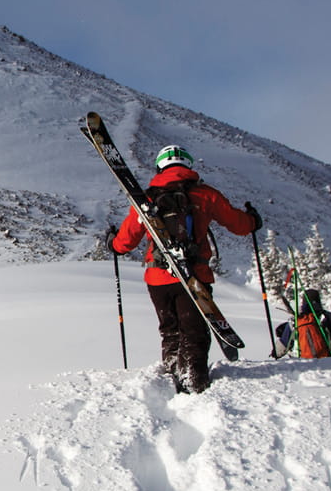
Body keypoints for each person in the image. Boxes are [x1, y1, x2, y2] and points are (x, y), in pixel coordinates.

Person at [107, 145, 260, 393]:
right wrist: (253, 219)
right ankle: (194, 383)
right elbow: (239, 225)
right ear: (188, 166)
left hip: (157, 278)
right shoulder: (205, 194)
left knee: (170, 330)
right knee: (194, 331)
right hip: (193, 277)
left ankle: (171, 377)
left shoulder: (145, 199)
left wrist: (111, 242)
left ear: (160, 167)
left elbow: (124, 243)